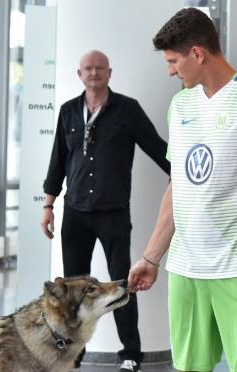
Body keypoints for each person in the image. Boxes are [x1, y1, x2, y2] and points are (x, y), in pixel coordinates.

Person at [128, 8, 237, 372]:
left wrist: (234, 216)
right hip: (185, 268)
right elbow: (179, 187)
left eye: (174, 61)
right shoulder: (180, 105)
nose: (170, 70)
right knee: (190, 368)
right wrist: (151, 256)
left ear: (198, 53)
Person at [41, 50, 170, 372]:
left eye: (100, 68)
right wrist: (48, 205)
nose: (94, 73)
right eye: (88, 68)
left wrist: (187, 173)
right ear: (79, 73)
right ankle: (73, 354)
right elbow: (57, 161)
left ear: (109, 73)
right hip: (75, 213)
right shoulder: (69, 111)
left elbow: (157, 147)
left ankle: (130, 353)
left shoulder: (127, 110)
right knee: (72, 291)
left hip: (113, 213)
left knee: (123, 284)